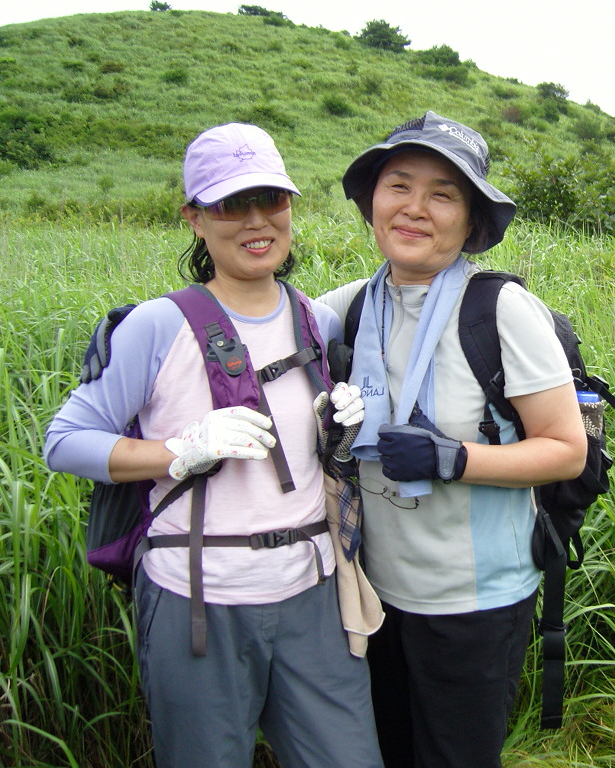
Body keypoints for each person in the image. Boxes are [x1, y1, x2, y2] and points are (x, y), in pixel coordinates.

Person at [44, 123, 383, 768]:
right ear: (194, 218)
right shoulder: (158, 326)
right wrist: (179, 449)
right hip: (199, 597)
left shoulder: (318, 321)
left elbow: (328, 451)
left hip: (312, 590)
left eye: (272, 201)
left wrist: (343, 430)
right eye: (230, 204)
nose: (257, 222)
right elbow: (65, 441)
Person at [317, 111, 588, 768]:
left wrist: (454, 458)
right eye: (398, 185)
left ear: (471, 222)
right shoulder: (349, 306)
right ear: (372, 202)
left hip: (473, 601)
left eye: (442, 194)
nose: (415, 208)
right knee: (388, 750)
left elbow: (566, 448)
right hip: (374, 590)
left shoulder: (498, 311)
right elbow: (255, 334)